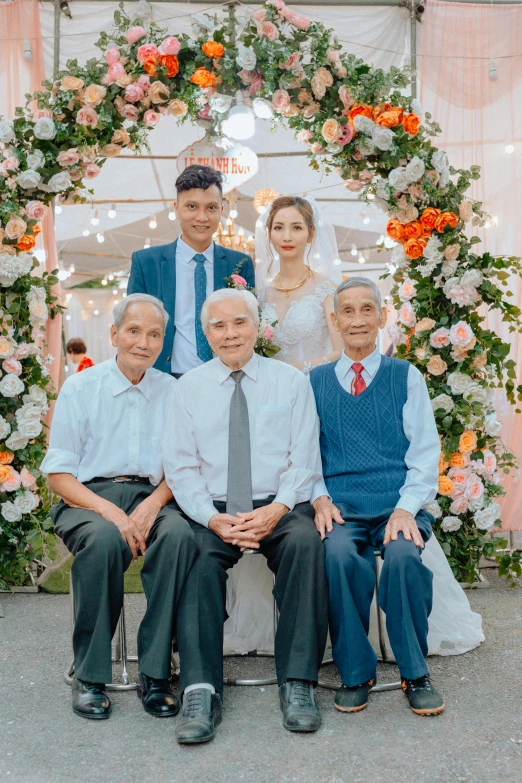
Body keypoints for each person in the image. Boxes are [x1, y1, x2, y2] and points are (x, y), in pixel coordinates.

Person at [164, 288, 328, 744]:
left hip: (279, 501)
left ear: (257, 327)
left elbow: (304, 457)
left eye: (239, 322)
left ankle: (298, 683)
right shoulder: (188, 389)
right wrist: (210, 518)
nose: (230, 333)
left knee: (305, 544)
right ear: (206, 334)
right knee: (196, 555)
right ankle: (200, 689)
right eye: (218, 325)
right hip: (214, 508)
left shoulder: (290, 381)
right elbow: (181, 466)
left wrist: (277, 509)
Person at [41, 294, 198, 721]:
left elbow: (184, 466)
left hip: (154, 495)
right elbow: (58, 475)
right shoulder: (80, 387)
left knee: (180, 536)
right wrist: (111, 512)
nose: (142, 343)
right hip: (89, 498)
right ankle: (90, 676)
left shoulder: (175, 390)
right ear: (114, 334)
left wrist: (153, 504)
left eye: (153, 334)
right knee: (106, 540)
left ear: (163, 342)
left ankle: (156, 670)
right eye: (133, 331)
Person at [311, 277, 445, 716]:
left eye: (367, 309)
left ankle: (414, 671)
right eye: (347, 311)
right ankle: (356, 672)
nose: (357, 320)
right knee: (339, 558)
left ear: (382, 316)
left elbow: (425, 453)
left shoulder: (405, 377)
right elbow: (304, 454)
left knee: (405, 559)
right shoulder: (313, 383)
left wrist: (406, 508)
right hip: (342, 507)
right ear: (334, 320)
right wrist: (319, 498)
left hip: (396, 504)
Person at [127, 165, 255, 378]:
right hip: (163, 379)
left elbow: (250, 323)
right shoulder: (146, 262)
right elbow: (132, 325)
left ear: (221, 210)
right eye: (192, 206)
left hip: (227, 376)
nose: (202, 217)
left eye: (211, 208)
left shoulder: (240, 263)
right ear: (176, 208)